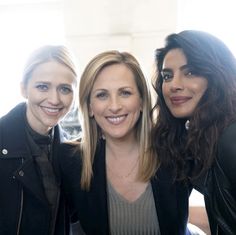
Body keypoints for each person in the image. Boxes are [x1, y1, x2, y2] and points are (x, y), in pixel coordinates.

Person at [59, 50, 191, 235]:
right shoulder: (70, 161)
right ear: (89, 107)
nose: (114, 106)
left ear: (142, 100)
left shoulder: (176, 149)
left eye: (125, 93)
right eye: (102, 95)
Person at [152, 30, 236, 235]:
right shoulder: (201, 136)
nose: (174, 85)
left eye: (190, 72)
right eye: (167, 76)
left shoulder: (230, 137)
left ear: (217, 76)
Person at [0, 45, 78, 235]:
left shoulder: (72, 153)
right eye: (43, 87)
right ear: (23, 89)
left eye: (65, 89)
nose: (54, 99)